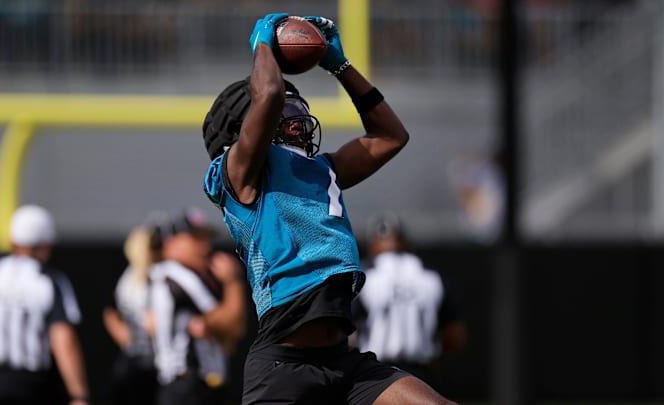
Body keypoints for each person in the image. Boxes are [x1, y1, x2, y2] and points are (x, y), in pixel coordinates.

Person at [202, 13, 457, 405]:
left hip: (344, 361)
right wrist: (264, 42)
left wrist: (340, 66)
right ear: (245, 126)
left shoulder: (323, 170)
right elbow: (268, 94)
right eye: (287, 113)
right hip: (283, 368)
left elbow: (391, 136)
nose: (299, 118)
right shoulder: (239, 175)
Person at [0, 204, 89, 405]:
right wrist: (78, 394)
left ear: (12, 241)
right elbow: (63, 339)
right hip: (35, 386)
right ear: (45, 245)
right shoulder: (48, 282)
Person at [352, 212, 467, 393]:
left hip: (376, 375)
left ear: (373, 244)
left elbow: (347, 332)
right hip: (421, 375)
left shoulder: (364, 276)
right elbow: (455, 337)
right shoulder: (431, 277)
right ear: (404, 241)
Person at [147, 209, 247, 405]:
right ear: (171, 243)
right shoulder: (176, 275)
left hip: (193, 387)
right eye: (195, 239)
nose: (204, 246)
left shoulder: (185, 276)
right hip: (187, 388)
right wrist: (233, 282)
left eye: (205, 238)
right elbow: (232, 325)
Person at [102, 224, 159, 405]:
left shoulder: (128, 278)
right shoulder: (150, 279)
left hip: (132, 360)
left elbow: (111, 315)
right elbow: (152, 324)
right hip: (148, 365)